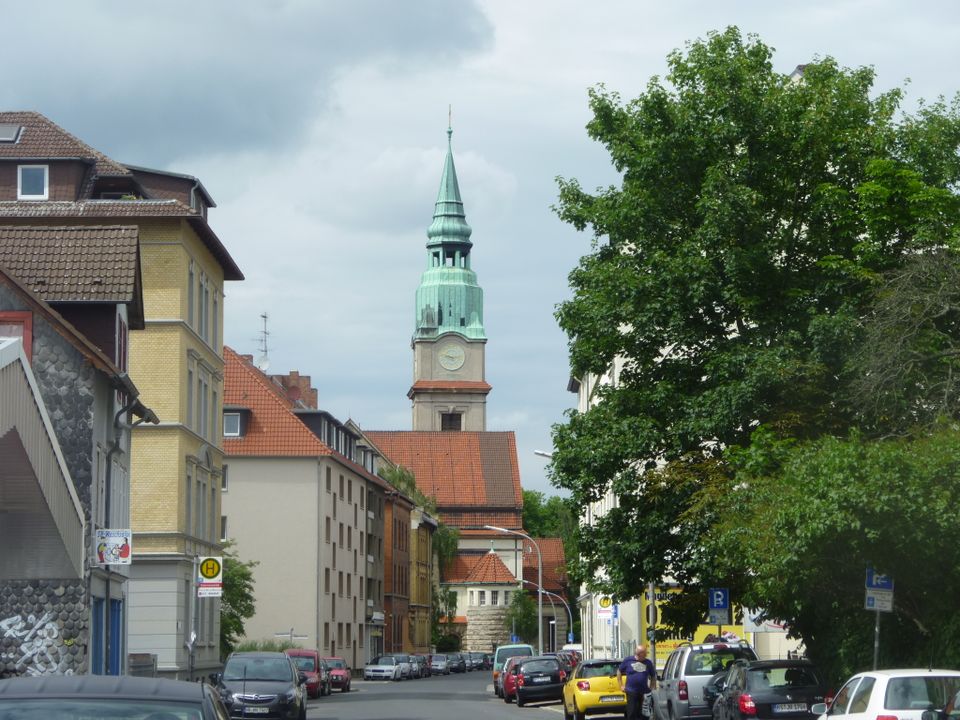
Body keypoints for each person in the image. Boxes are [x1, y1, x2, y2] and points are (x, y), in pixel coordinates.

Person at [617, 645, 657, 720]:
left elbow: (653, 676)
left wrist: (652, 687)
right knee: (632, 713)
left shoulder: (648, 662)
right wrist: (621, 685)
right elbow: (619, 671)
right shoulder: (628, 660)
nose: (646, 655)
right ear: (638, 653)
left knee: (644, 714)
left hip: (644, 692)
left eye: (646, 653)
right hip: (631, 691)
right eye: (644, 653)